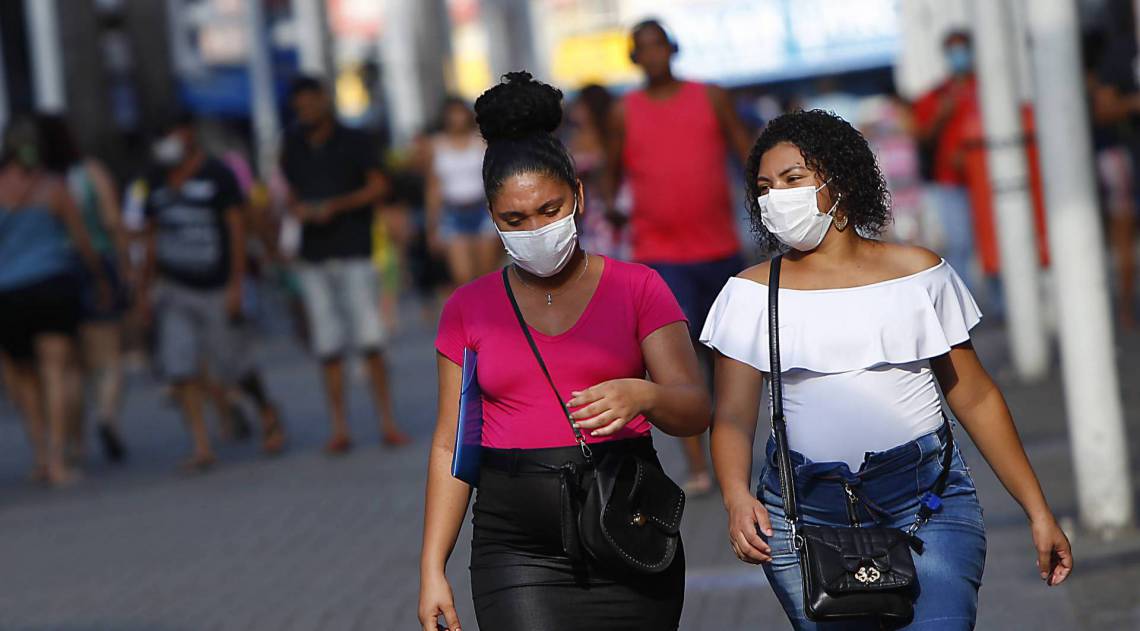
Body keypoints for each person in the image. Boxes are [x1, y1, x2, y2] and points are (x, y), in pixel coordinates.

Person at [703, 110, 1073, 629]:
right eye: (764, 187)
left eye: (792, 180)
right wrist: (736, 498)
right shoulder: (748, 294)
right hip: (803, 518)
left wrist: (1038, 510)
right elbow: (734, 419)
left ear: (840, 181)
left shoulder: (920, 274)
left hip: (928, 503)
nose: (775, 199)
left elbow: (976, 397)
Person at [418, 72, 710, 631]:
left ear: (578, 195)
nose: (536, 229)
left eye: (550, 210)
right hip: (515, 548)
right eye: (515, 220)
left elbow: (694, 408)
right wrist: (433, 567)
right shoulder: (467, 308)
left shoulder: (638, 287)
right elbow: (450, 444)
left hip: (626, 521)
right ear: (493, 219)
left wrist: (644, 394)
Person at [602, 18, 753, 495]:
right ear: (633, 57)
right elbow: (609, 169)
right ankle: (697, 465)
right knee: (677, 360)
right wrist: (613, 209)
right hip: (659, 252)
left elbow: (742, 148)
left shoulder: (709, 96)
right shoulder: (625, 111)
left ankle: (732, 453)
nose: (653, 55)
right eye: (643, 48)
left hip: (719, 246)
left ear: (672, 49)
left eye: (659, 46)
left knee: (725, 357)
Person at [137, 114, 286, 470]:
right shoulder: (155, 179)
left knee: (233, 364)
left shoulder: (217, 173)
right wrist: (144, 288)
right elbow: (151, 235)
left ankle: (265, 409)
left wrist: (237, 284)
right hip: (173, 288)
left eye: (169, 133)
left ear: (187, 134)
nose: (165, 142)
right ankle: (201, 444)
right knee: (181, 367)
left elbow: (236, 229)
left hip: (217, 285)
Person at [280, 76, 409, 453]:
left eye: (309, 103)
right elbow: (286, 190)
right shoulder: (292, 143)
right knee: (328, 346)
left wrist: (336, 206)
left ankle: (387, 420)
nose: (304, 111)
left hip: (355, 249)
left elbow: (380, 185)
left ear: (323, 100)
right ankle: (340, 427)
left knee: (371, 340)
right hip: (313, 254)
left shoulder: (354, 139)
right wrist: (297, 211)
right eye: (298, 105)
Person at [0, 114, 111, 485]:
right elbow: (82, 242)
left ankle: (41, 455)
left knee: (26, 379)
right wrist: (99, 278)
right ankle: (61, 458)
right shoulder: (54, 188)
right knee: (56, 371)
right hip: (52, 284)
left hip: (9, 292)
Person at [40, 114, 131, 463]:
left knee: (69, 365)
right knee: (108, 356)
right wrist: (124, 266)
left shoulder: (33, 182)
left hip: (55, 271)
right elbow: (112, 219)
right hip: (96, 265)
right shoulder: (89, 172)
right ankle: (106, 415)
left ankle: (76, 443)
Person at [425, 97, 497, 287]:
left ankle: (490, 314)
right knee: (462, 276)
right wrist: (432, 226)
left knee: (487, 273)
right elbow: (433, 187)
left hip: (482, 209)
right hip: (453, 213)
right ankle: (472, 315)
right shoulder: (436, 145)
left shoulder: (481, 141)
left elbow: (494, 177)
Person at [565, 83, 627, 260]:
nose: (575, 109)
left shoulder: (609, 138)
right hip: (589, 214)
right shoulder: (577, 138)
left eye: (580, 104)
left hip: (601, 211)